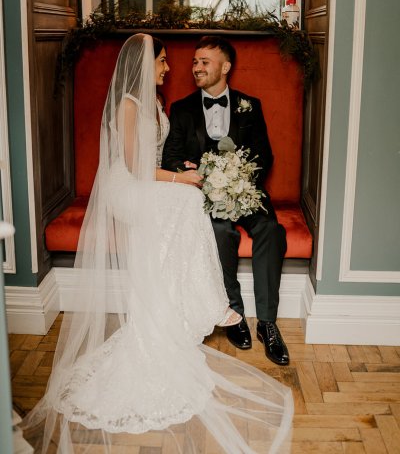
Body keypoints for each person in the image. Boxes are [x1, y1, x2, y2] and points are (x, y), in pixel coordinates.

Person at [21, 33, 293, 453]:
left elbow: (255, 156)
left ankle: (243, 317)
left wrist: (222, 178)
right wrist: (185, 177)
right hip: (127, 185)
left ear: (226, 67)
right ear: (146, 65)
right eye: (165, 62)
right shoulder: (137, 104)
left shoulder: (181, 104)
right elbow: (137, 165)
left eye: (200, 61)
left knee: (208, 209)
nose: (174, 68)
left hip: (213, 188)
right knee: (188, 204)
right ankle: (215, 307)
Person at [162, 35, 289, 366]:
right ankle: (234, 313)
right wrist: (197, 176)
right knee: (220, 233)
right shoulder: (182, 109)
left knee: (271, 231)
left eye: (205, 61)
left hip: (247, 192)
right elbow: (171, 157)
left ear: (226, 67)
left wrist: (239, 182)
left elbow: (265, 155)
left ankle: (268, 323)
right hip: (203, 197)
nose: (197, 67)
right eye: (194, 61)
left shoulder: (251, 105)